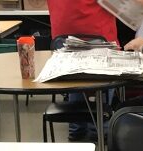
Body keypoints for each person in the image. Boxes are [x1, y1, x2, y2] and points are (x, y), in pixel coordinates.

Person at [47, 0, 118, 141]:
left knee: (74, 80)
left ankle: (77, 129)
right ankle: (99, 129)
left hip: (63, 31)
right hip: (97, 31)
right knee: (102, 83)